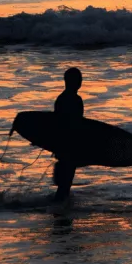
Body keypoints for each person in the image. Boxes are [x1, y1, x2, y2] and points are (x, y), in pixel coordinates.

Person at [52, 66, 84, 199]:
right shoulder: (74, 100)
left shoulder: (61, 99)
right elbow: (77, 123)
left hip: (64, 144)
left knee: (65, 181)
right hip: (69, 144)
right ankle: (60, 206)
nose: (80, 82)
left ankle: (60, 204)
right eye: (78, 79)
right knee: (66, 180)